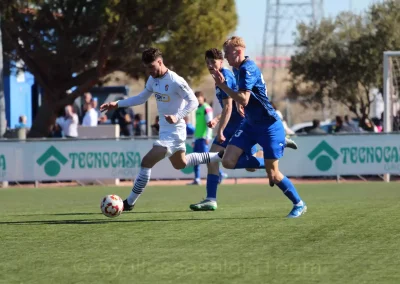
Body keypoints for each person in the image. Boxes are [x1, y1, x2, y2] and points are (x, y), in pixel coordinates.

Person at [100, 47, 224, 211]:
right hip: (165, 132)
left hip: (174, 133)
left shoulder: (175, 80)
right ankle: (220, 155)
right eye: (146, 68)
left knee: (146, 162)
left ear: (160, 62)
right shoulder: (152, 79)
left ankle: (129, 203)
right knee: (181, 163)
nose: (149, 71)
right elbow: (141, 97)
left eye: (151, 67)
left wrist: (178, 116)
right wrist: (117, 104)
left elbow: (193, 101)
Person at [209, 36, 306, 218]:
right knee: (228, 161)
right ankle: (269, 160)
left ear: (238, 52)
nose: (226, 57)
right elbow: (245, 98)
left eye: (228, 53)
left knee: (274, 175)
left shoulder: (247, 68)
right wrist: (240, 104)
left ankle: (299, 203)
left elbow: (244, 97)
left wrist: (223, 86)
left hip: (269, 126)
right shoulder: (237, 69)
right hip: (249, 125)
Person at [190, 48, 298, 211]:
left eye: (213, 62)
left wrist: (220, 130)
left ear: (221, 62)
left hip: (240, 125)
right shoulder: (220, 77)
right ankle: (211, 199)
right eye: (207, 63)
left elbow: (228, 107)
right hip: (233, 124)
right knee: (230, 164)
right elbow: (230, 106)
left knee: (235, 163)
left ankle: (273, 154)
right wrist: (217, 119)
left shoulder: (225, 76)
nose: (210, 65)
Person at [188, 91, 214, 185]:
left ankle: (220, 174)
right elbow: (197, 125)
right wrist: (194, 139)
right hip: (197, 138)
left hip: (203, 138)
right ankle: (197, 179)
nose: (198, 101)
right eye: (196, 99)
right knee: (195, 159)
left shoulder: (206, 108)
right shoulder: (197, 109)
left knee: (207, 159)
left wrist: (208, 137)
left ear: (203, 98)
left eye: (199, 98)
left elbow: (210, 123)